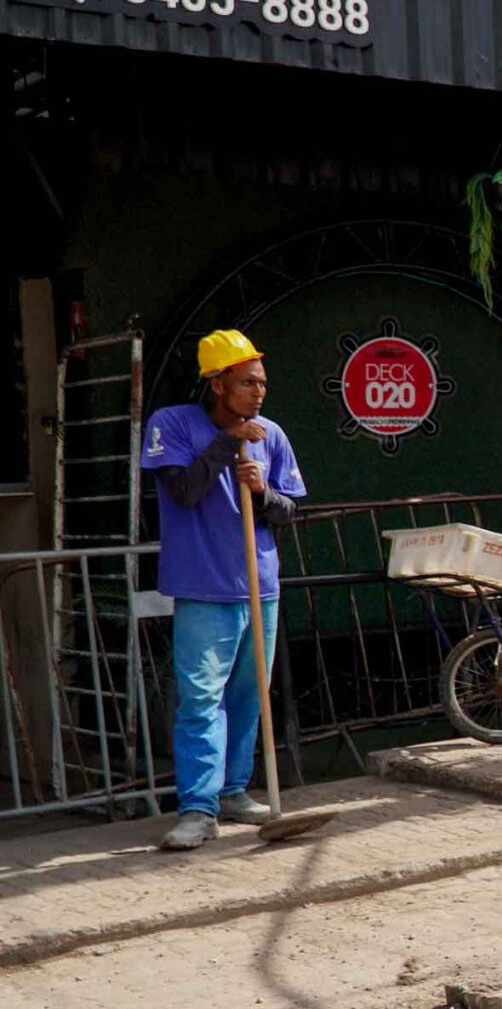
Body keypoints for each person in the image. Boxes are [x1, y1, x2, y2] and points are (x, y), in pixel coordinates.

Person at [140, 330, 307, 851]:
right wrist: (227, 442)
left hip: (261, 585)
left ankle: (233, 791)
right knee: (201, 701)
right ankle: (197, 807)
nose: (258, 393)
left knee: (248, 696)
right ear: (217, 384)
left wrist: (263, 490)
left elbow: (289, 512)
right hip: (202, 588)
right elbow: (184, 492)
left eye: (262, 383)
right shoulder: (171, 424)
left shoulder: (271, 434)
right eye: (247, 382)